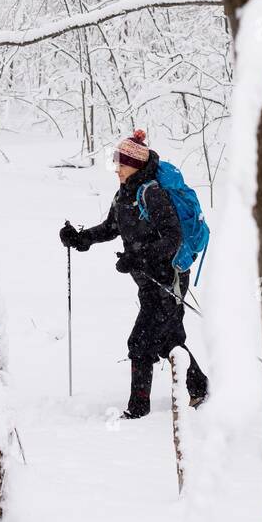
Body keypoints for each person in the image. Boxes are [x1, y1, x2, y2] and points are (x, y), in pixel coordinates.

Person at [60, 129, 209, 419]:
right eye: (116, 163)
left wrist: (137, 257)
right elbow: (111, 228)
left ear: (136, 164)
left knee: (139, 342)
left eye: (122, 163)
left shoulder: (152, 193)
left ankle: (138, 410)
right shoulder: (125, 193)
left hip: (167, 281)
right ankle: (200, 387)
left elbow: (172, 238)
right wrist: (81, 239)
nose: (117, 169)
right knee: (168, 341)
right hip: (148, 282)